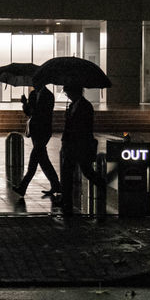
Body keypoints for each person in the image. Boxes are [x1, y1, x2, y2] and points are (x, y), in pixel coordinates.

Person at [59, 84, 103, 215]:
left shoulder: (86, 106)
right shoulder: (72, 106)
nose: (67, 95)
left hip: (82, 145)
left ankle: (101, 185)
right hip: (71, 145)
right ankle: (66, 200)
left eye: (68, 93)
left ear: (75, 92)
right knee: (67, 173)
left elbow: (85, 127)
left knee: (87, 171)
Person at [17, 83, 61, 198]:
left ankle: (23, 187)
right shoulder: (32, 94)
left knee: (34, 159)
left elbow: (43, 113)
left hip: (43, 131)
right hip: (35, 131)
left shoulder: (49, 96)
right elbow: (28, 112)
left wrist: (32, 108)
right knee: (43, 160)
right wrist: (24, 103)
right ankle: (56, 185)